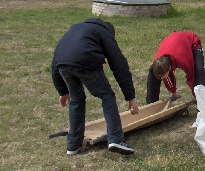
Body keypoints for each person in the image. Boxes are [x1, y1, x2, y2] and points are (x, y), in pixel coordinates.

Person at [51, 18, 139, 155]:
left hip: (62, 64)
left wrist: (62, 91)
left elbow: (56, 58)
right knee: (107, 95)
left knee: (76, 99)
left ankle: (73, 145)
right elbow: (118, 63)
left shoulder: (75, 28)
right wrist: (130, 97)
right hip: (85, 59)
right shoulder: (104, 32)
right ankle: (116, 139)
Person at [146, 31, 205, 104]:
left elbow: (191, 74)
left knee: (199, 70)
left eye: (162, 76)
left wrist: (195, 94)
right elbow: (166, 76)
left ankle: (201, 98)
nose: (162, 78)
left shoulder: (182, 60)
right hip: (173, 43)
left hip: (192, 42)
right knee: (152, 70)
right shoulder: (158, 61)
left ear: (169, 68)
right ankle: (151, 103)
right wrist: (173, 91)